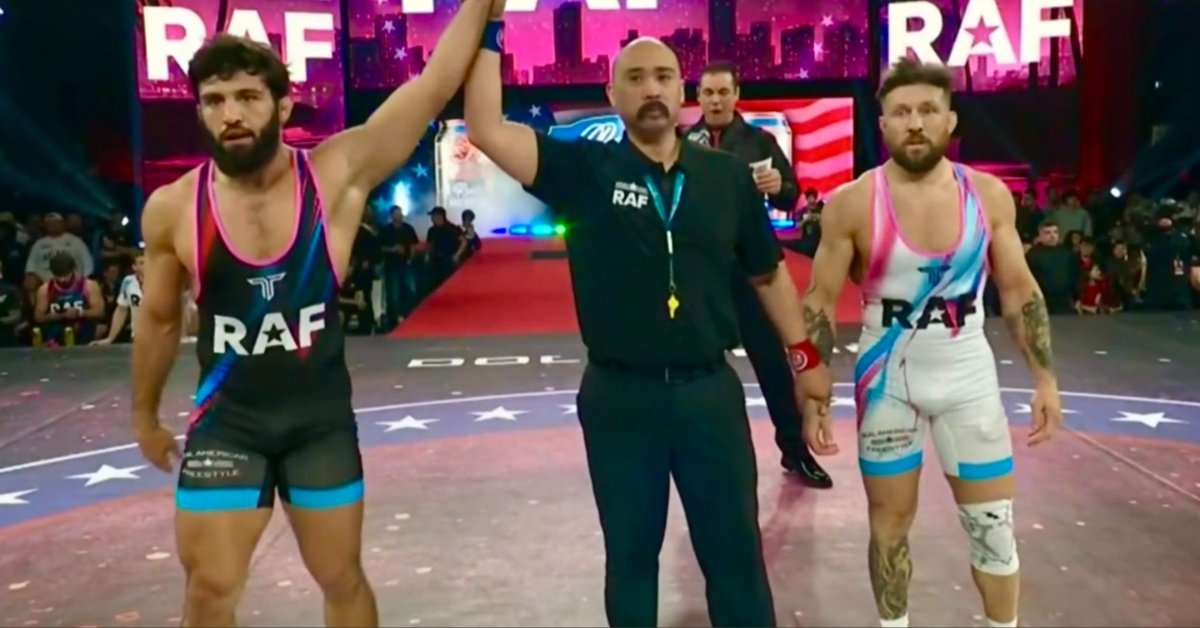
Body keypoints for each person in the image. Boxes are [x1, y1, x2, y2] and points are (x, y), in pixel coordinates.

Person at [129, 1, 497, 624]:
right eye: (214, 101)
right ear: (200, 112)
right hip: (229, 427)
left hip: (317, 424)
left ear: (283, 106)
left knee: (342, 578)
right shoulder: (173, 209)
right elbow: (160, 319)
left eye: (247, 97)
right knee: (209, 588)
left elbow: (435, 85)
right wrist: (143, 416)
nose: (231, 113)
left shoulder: (334, 173)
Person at [463, 26, 832, 627]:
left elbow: (769, 277)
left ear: (682, 91)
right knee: (632, 560)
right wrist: (489, 25)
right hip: (620, 400)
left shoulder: (725, 177)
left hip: (709, 396)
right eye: (634, 79)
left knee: (737, 559)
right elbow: (484, 128)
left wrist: (805, 362)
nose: (651, 89)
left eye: (663, 77)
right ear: (612, 95)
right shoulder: (583, 168)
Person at [799, 59, 1064, 628]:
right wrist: (813, 394)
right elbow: (818, 301)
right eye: (901, 112)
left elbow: (1019, 290)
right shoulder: (852, 202)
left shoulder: (988, 196)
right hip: (887, 383)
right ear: (883, 124)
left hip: (967, 377)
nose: (914, 122)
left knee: (992, 525)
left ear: (950, 120)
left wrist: (1045, 379)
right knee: (889, 527)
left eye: (927, 110)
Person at [685, 60, 831, 488]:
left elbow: (790, 195)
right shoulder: (683, 143)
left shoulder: (759, 141)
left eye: (722, 92)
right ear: (698, 98)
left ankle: (795, 450)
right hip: (701, 273)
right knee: (698, 366)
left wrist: (778, 188)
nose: (715, 100)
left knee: (771, 362)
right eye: (708, 93)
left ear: (736, 95)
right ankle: (698, 455)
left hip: (752, 269)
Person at [34, 252, 105, 345]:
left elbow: (99, 312)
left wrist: (79, 313)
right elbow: (38, 317)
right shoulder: (45, 290)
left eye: (65, 275)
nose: (62, 279)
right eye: (58, 276)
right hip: (54, 341)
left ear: (73, 270)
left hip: (84, 338)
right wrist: (59, 315)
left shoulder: (89, 286)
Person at [92, 252, 145, 345]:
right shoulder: (128, 282)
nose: (146, 266)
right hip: (138, 338)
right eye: (141, 263)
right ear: (134, 267)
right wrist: (110, 339)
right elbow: (121, 309)